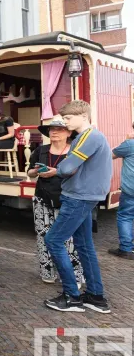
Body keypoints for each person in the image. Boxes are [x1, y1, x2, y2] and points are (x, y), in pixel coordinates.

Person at [38, 100, 111, 313]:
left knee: (53, 239)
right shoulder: (89, 137)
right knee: (84, 245)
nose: (65, 122)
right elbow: (70, 167)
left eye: (68, 118)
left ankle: (71, 296)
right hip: (85, 195)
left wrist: (59, 168)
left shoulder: (89, 137)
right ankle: (96, 297)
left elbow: (68, 167)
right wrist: (62, 168)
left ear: (84, 117)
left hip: (78, 196)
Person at [26, 116, 85, 285]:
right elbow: (29, 172)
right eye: (52, 129)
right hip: (42, 198)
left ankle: (74, 275)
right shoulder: (40, 150)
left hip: (67, 198)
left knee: (69, 238)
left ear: (68, 133)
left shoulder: (75, 151)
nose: (54, 132)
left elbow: (78, 172)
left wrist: (56, 172)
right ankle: (47, 271)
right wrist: (36, 171)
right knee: (43, 236)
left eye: (59, 129)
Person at [110, 122, 134, 259]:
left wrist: (126, 140)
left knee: (125, 216)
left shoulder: (130, 144)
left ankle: (126, 248)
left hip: (131, 189)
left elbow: (110, 155)